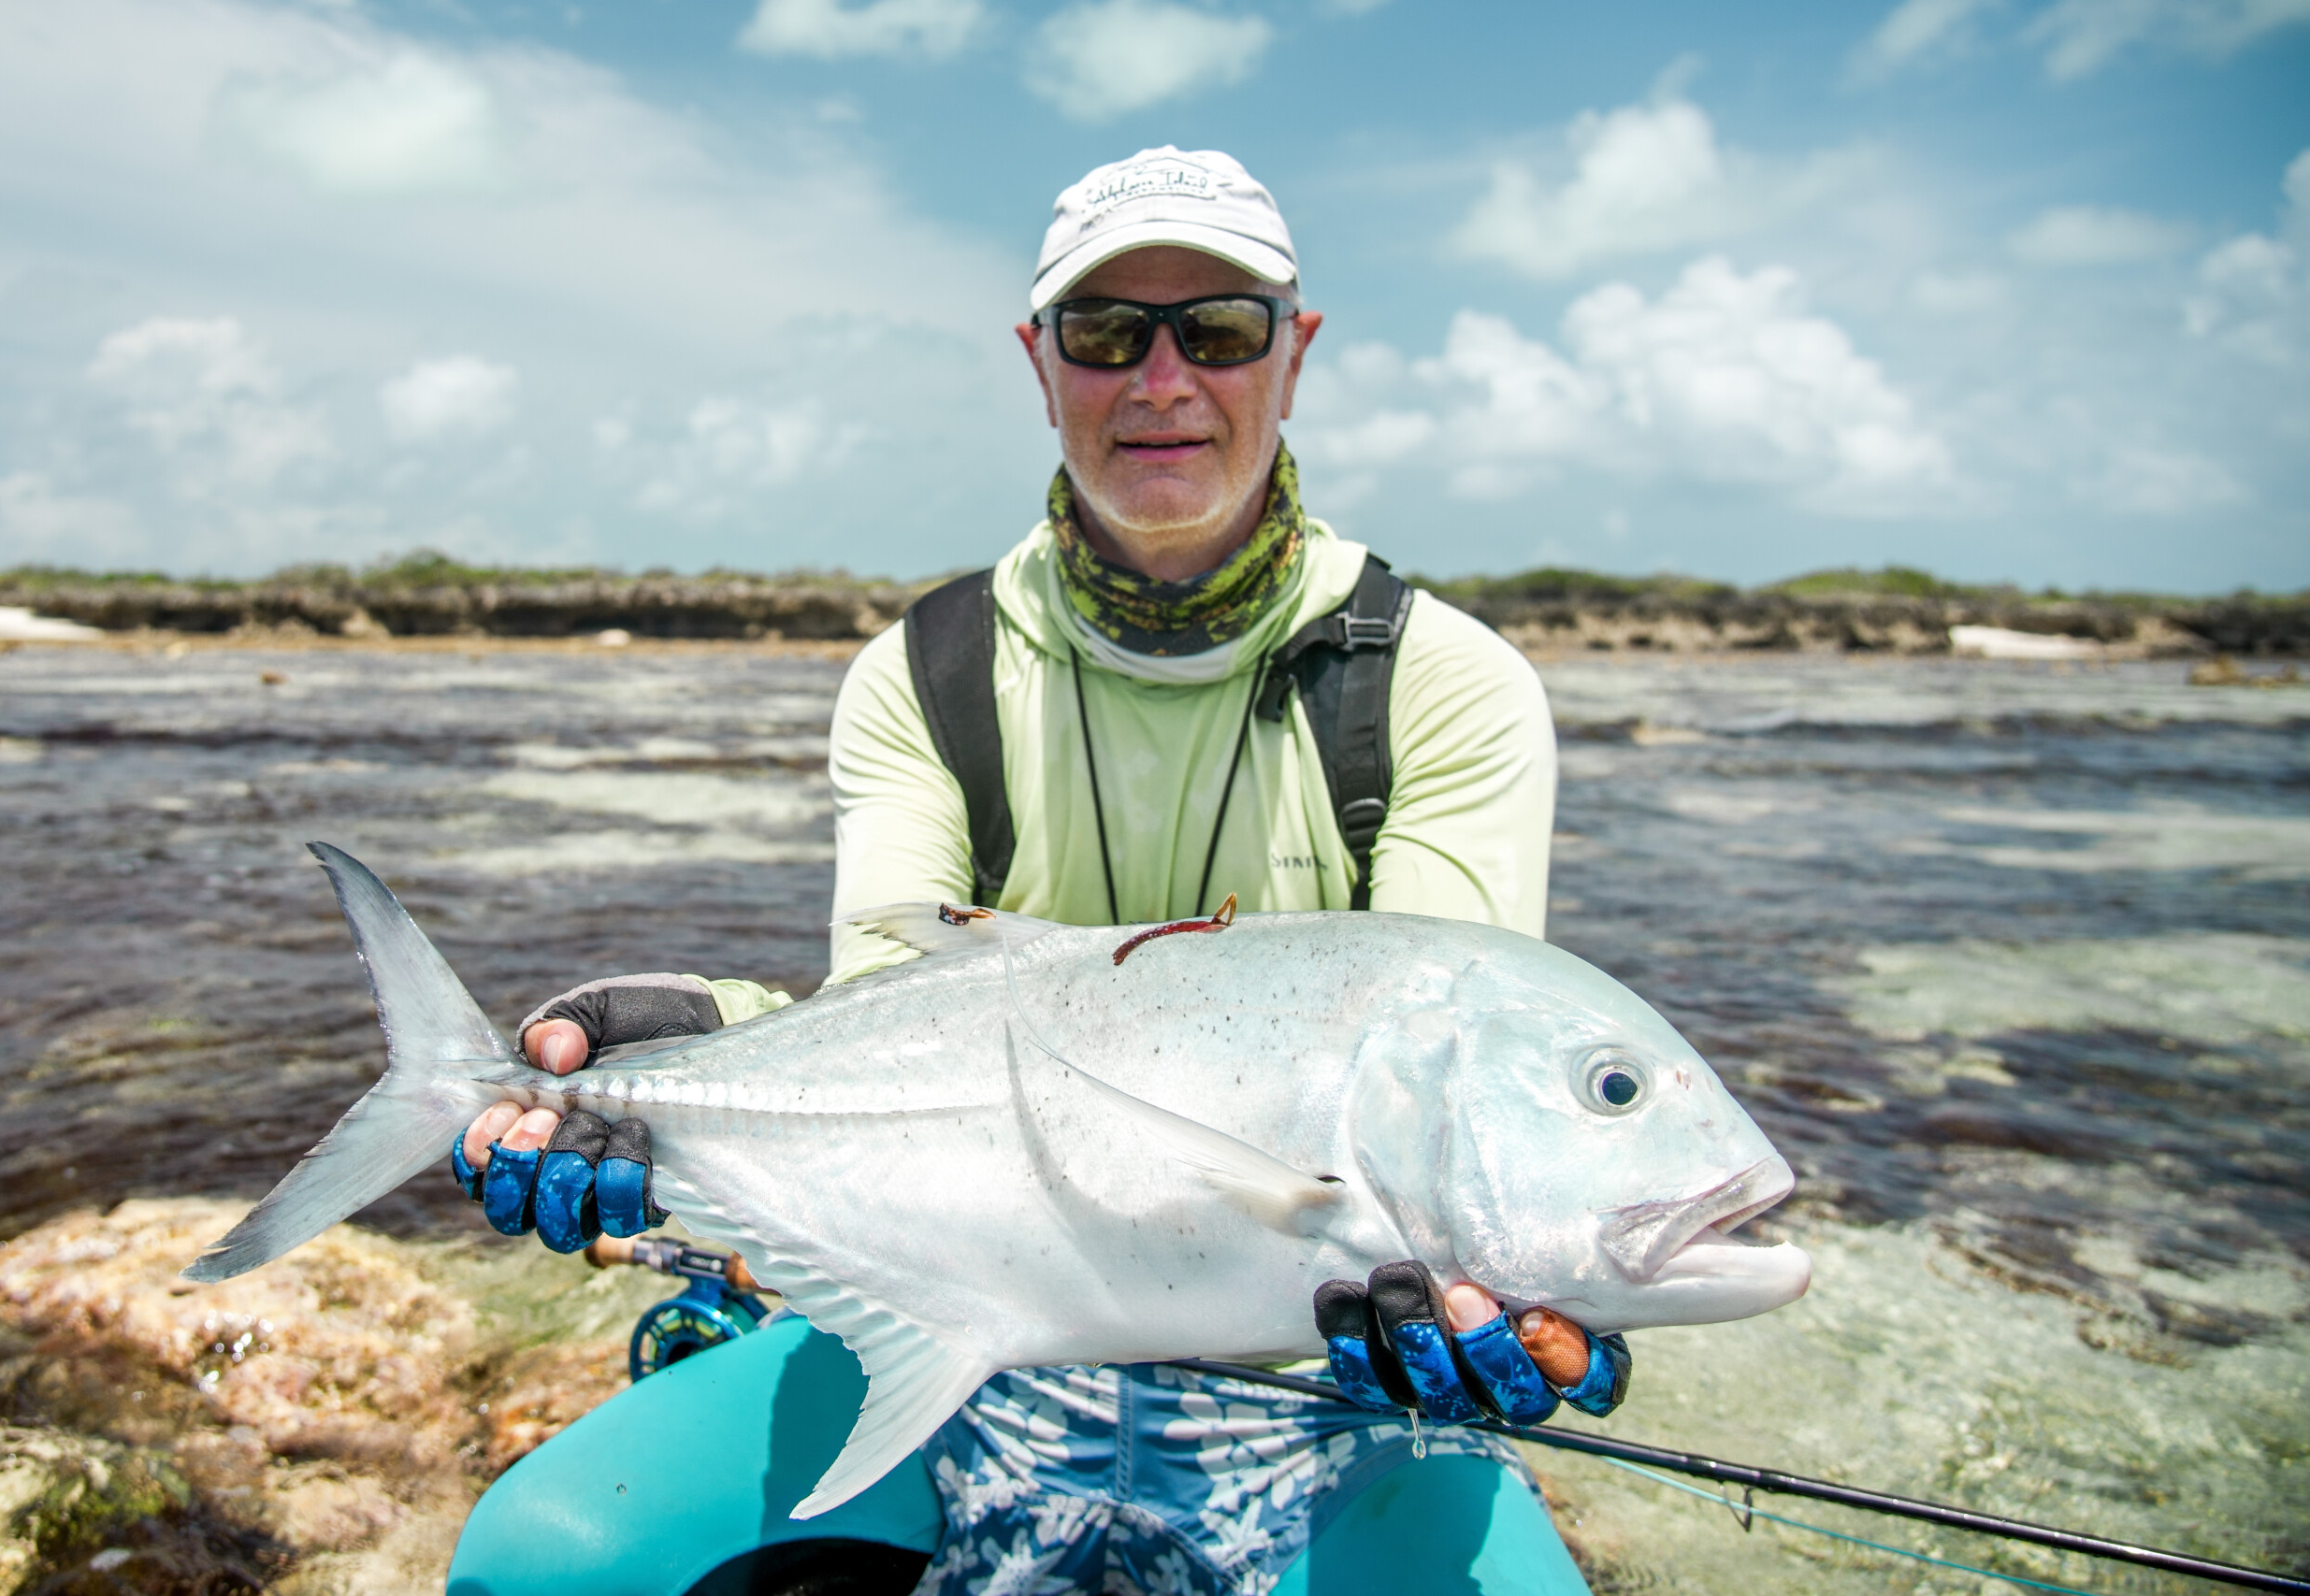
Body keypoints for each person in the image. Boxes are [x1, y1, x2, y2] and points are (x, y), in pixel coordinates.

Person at [452, 148, 1624, 1595]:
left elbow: (1437, 1085)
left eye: (1221, 328)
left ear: (1294, 353)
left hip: (1331, 1391)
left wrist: (1522, 1274)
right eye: (1108, 332)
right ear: (1041, 360)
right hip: (963, 1327)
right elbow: (893, 1024)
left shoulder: (1444, 685)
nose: (1163, 379)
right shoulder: (926, 675)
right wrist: (691, 1038)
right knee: (540, 1570)